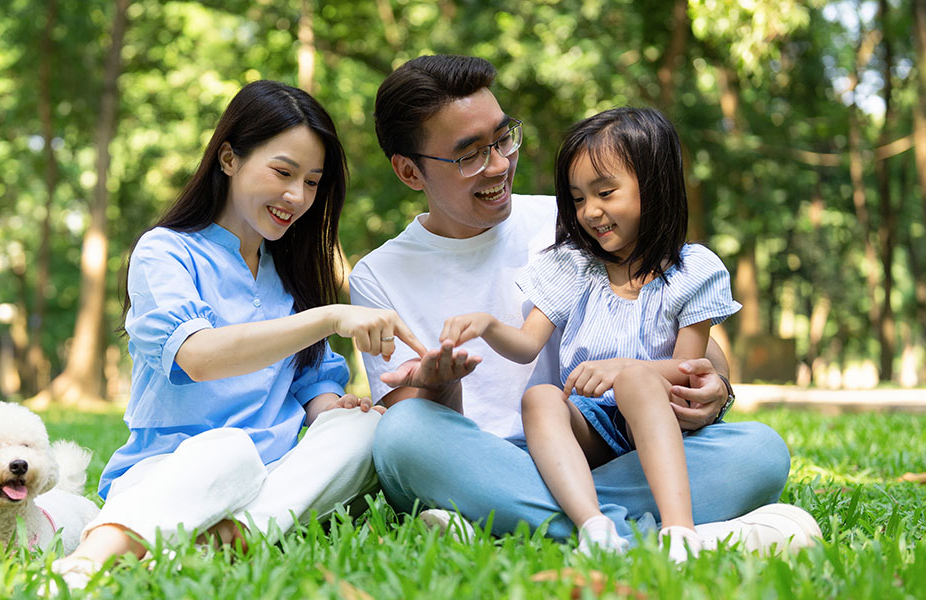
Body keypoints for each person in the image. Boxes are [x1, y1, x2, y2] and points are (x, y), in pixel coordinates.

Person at [351, 55, 820, 554]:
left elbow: (693, 340)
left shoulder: (571, 222)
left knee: (761, 451)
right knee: (401, 436)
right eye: (469, 154)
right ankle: (666, 533)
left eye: (503, 137)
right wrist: (442, 388)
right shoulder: (377, 275)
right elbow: (417, 420)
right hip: (480, 460)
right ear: (409, 171)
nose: (499, 163)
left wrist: (715, 387)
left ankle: (512, 523)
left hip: (602, 452)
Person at [52, 80, 424, 587]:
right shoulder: (165, 251)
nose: (297, 196)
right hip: (174, 474)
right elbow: (199, 357)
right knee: (229, 448)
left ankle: (226, 539)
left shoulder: (293, 272)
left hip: (274, 480)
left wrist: (335, 408)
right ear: (229, 158)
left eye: (313, 182)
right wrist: (331, 317)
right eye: (283, 172)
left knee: (366, 430)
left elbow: (311, 385)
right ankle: (89, 561)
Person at [440, 107, 741, 561]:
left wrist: (624, 369)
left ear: (655, 187)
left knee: (640, 382)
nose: (591, 212)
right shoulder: (573, 265)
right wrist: (486, 325)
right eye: (578, 199)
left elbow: (688, 370)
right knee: (540, 397)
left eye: (605, 193)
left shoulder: (692, 271)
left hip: (661, 420)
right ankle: (594, 525)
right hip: (593, 427)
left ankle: (680, 532)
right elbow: (525, 347)